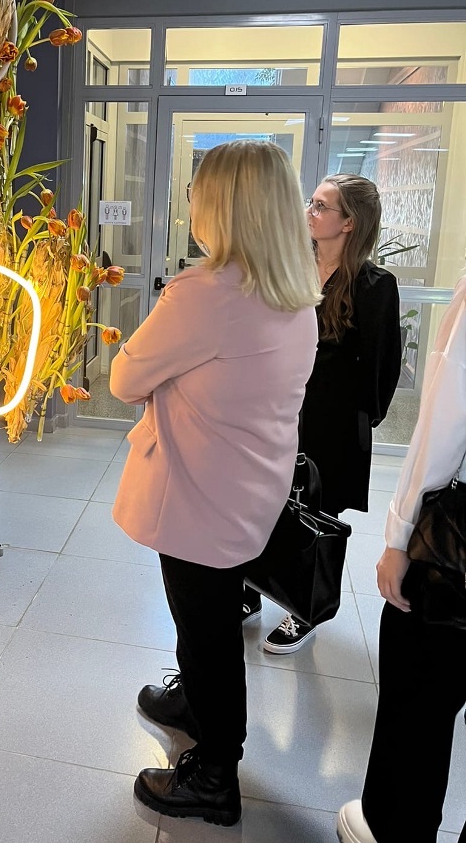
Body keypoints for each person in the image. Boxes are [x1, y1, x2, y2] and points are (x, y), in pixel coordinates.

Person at [109, 140, 321, 824]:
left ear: (221, 207)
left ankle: (214, 775)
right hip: (250, 489)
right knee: (208, 614)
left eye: (198, 191)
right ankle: (193, 706)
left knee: (207, 630)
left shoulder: (205, 295)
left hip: (199, 496)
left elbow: (124, 379)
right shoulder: (297, 292)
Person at [338, 274, 466, 843]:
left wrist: (401, 535)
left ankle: (393, 830)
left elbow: (445, 423)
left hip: (455, 547)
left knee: (418, 704)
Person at [260, 174, 402, 654]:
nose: (310, 212)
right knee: (263, 504)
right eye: (312, 202)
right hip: (279, 412)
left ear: (349, 223)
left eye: (322, 206)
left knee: (315, 518)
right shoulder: (293, 268)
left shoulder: (374, 286)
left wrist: (358, 420)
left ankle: (305, 609)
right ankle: (251, 590)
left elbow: (382, 367)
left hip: (333, 424)